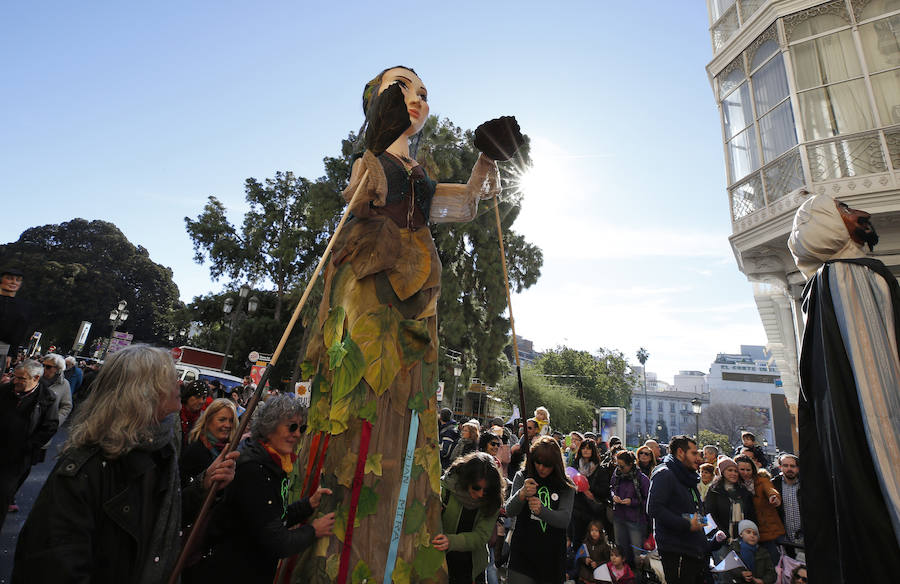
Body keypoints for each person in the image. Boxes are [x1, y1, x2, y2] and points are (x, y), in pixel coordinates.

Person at [292, 65, 522, 583]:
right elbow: (359, 200)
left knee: (407, 392)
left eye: (423, 93)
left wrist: (487, 162)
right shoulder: (371, 160)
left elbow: (461, 205)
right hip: (373, 280)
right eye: (402, 87)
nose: (416, 98)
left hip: (417, 292)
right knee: (366, 388)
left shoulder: (420, 173)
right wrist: (369, 171)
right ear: (375, 99)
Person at [12, 345, 238, 583]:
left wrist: (204, 484)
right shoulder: (86, 469)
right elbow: (51, 566)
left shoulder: (161, 451)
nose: (179, 385)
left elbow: (160, 520)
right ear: (144, 392)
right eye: (170, 378)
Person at [787, 194, 900, 582]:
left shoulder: (829, 283)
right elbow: (878, 391)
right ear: (831, 228)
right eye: (846, 210)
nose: (862, 214)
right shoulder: (848, 279)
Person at [189, 394, 334, 584]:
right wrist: (313, 531)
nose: (297, 434)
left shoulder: (272, 462)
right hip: (229, 573)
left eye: (302, 428)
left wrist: (308, 504)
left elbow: (272, 516)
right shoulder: (253, 468)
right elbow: (276, 541)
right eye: (291, 426)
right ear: (269, 426)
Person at [506, 436, 575, 584]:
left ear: (555, 464)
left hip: (552, 557)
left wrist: (542, 511)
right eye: (538, 462)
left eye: (547, 464)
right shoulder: (523, 476)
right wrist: (522, 494)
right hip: (522, 554)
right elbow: (509, 510)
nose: (542, 468)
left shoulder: (566, 485)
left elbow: (564, 520)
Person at [0, 360, 59, 527]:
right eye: (15, 377)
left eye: (21, 378)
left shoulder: (47, 398)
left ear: (36, 378)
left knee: (3, 495)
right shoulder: (5, 390)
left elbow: (50, 426)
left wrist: (29, 446)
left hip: (17, 459)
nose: (16, 381)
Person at [432, 451, 505, 584]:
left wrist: (451, 541)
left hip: (472, 569)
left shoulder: (492, 500)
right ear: (467, 479)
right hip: (440, 563)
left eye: (486, 490)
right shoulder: (446, 488)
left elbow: (481, 536)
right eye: (476, 487)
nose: (481, 494)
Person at [646, 435, 708, 584]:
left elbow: (691, 507)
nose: (698, 458)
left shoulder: (689, 476)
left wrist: (702, 522)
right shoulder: (664, 473)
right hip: (675, 547)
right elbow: (653, 508)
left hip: (693, 545)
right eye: (694, 453)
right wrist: (687, 524)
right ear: (681, 452)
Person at [179, 398, 239, 488]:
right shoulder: (195, 450)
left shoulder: (230, 449)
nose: (228, 425)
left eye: (231, 420)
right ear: (208, 420)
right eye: (222, 420)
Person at [736, 454, 783, 565]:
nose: (746, 473)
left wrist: (774, 497)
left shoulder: (761, 481)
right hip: (746, 533)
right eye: (742, 469)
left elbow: (771, 490)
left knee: (774, 564)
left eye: (748, 470)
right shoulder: (735, 485)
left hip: (767, 530)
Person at [610, 450, 650, 567]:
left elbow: (647, 501)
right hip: (619, 517)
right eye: (617, 465)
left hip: (636, 520)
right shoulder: (617, 474)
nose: (619, 468)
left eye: (621, 466)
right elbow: (612, 487)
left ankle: (638, 576)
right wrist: (614, 496)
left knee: (637, 554)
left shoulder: (642, 479)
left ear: (630, 464)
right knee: (621, 550)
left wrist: (632, 502)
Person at [705, 457, 756, 544]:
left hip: (743, 540)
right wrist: (721, 533)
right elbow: (709, 514)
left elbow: (751, 514)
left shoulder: (744, 491)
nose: (733, 473)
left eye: (736, 471)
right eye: (730, 470)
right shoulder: (714, 491)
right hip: (721, 539)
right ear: (723, 472)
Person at [570, 438, 609, 547]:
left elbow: (605, 490)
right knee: (577, 541)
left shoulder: (600, 469)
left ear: (593, 450)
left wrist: (589, 489)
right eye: (583, 448)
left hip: (593, 510)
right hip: (577, 510)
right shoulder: (575, 466)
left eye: (588, 448)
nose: (586, 451)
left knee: (593, 542)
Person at [723, 520, 776, 584]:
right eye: (748, 532)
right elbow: (728, 568)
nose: (752, 536)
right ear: (741, 534)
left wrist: (763, 581)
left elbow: (772, 573)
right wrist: (741, 573)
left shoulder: (763, 552)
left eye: (755, 534)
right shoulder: (733, 549)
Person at [0, 267, 29, 370]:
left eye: (17, 280)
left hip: (2, 351)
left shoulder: (23, 307)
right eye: (9, 278)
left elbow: (19, 332)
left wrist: (11, 354)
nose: (13, 282)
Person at [772, 454, 802, 552]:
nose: (789, 469)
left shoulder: (805, 484)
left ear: (798, 468)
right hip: (785, 539)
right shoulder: (774, 485)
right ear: (780, 467)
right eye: (785, 466)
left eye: (792, 466)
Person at [40, 353, 72, 426]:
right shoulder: (35, 378)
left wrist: (55, 422)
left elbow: (66, 407)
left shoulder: (64, 384)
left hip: (46, 426)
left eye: (48, 367)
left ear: (58, 369)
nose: (44, 368)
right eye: (43, 365)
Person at [574, 520, 611, 584]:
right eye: (592, 530)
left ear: (600, 532)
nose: (594, 533)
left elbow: (608, 561)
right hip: (586, 571)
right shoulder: (585, 543)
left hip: (599, 572)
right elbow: (579, 556)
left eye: (596, 531)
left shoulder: (605, 546)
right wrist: (585, 559)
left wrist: (597, 564)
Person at [180, 380, 207, 445]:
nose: (201, 401)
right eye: (197, 397)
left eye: (204, 398)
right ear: (188, 396)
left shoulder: (204, 419)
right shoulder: (174, 413)